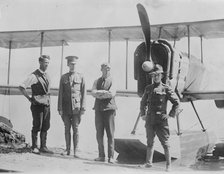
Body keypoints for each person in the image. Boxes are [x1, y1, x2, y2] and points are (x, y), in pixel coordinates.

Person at [140, 64, 180, 172]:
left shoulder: (166, 88)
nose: (156, 77)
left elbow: (176, 103)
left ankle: (168, 166)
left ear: (161, 76)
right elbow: (143, 102)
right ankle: (148, 163)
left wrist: (170, 115)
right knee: (149, 142)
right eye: (154, 75)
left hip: (161, 121)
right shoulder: (148, 88)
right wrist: (143, 114)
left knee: (165, 144)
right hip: (150, 120)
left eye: (158, 75)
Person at [19, 55, 53, 154]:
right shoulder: (34, 75)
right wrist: (29, 98)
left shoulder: (47, 75)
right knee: (37, 125)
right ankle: (34, 146)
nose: (47, 64)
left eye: (48, 63)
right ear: (40, 63)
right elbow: (21, 87)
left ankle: (43, 146)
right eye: (45, 62)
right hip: (37, 105)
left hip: (46, 104)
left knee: (46, 125)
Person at [58, 56, 86, 158]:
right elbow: (60, 93)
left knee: (76, 128)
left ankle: (76, 150)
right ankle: (67, 149)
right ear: (68, 65)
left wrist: (83, 108)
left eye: (74, 64)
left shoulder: (81, 77)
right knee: (66, 128)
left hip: (76, 108)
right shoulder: (63, 77)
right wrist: (60, 108)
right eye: (71, 64)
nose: (73, 66)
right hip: (65, 108)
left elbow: (83, 93)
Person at [91, 62, 117, 163]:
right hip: (98, 110)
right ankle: (101, 156)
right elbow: (93, 92)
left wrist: (99, 93)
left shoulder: (113, 80)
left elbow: (112, 94)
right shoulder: (96, 81)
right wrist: (103, 93)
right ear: (101, 70)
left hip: (109, 110)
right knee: (99, 134)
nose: (107, 71)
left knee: (110, 134)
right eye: (105, 69)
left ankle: (111, 157)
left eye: (109, 69)